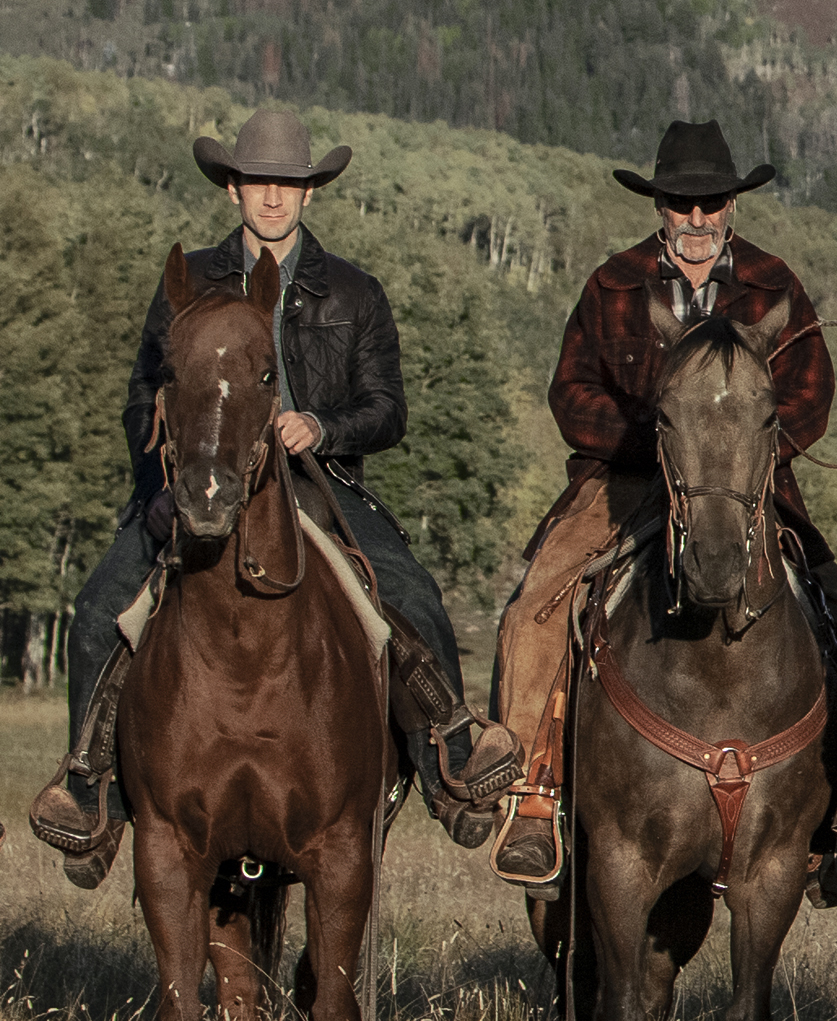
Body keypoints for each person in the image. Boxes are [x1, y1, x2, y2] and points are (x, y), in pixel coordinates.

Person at [28, 108, 520, 881]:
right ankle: (92, 790)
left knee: (407, 592)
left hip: (316, 480)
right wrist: (160, 484)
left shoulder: (354, 292)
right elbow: (141, 401)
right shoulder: (188, 284)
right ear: (233, 188)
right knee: (99, 610)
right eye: (258, 181)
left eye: (287, 184)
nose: (272, 197)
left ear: (310, 193)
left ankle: (450, 758)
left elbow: (388, 408)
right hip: (200, 478)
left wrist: (321, 426)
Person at [486, 120, 837, 894]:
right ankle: (533, 793)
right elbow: (569, 392)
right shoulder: (612, 284)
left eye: (711, 202)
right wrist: (660, 444)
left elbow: (812, 388)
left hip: (749, 488)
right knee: (536, 605)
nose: (698, 219)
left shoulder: (776, 285)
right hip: (627, 481)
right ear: (661, 207)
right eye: (683, 203)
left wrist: (741, 455)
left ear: (732, 205)